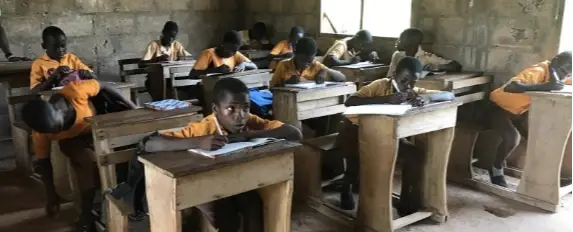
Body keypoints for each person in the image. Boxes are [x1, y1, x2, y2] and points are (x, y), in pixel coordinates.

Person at [108, 77, 302, 232]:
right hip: (202, 182)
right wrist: (198, 142)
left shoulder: (250, 121)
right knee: (225, 212)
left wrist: (251, 134)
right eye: (231, 109)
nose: (240, 115)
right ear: (216, 110)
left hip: (235, 178)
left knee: (253, 204)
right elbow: (149, 143)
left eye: (245, 108)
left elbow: (294, 133)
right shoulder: (204, 128)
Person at [336, 57, 455, 214]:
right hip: (356, 132)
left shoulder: (413, 91)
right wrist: (385, 99)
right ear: (397, 75)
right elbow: (350, 102)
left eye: (413, 81)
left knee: (414, 155)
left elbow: (449, 96)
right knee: (357, 158)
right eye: (406, 80)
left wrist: (427, 98)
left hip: (387, 138)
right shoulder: (380, 85)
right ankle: (347, 187)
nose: (410, 85)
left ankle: (406, 201)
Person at [21, 79, 136, 232]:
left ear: (59, 110)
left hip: (97, 128)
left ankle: (125, 200)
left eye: (60, 127)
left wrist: (132, 107)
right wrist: (52, 196)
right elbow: (44, 164)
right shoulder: (41, 134)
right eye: (53, 132)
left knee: (127, 154)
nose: (57, 132)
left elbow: (105, 86)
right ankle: (86, 214)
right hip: (73, 141)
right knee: (87, 164)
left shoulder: (75, 92)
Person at [488, 51, 573, 187]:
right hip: (496, 107)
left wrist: (561, 79)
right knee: (512, 137)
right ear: (555, 61)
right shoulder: (538, 71)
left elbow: (567, 80)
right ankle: (495, 169)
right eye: (563, 71)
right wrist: (546, 87)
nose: (564, 76)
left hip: (518, 111)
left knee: (541, 137)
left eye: (568, 74)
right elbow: (512, 86)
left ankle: (546, 178)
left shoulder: (561, 74)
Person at [29, 26, 94, 93]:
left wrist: (86, 73)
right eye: (55, 47)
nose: (60, 50)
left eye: (63, 46)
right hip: (52, 99)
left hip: (75, 95)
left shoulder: (71, 58)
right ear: (44, 46)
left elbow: (93, 76)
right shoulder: (38, 64)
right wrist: (54, 76)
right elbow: (34, 90)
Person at [271, 37, 345, 87]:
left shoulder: (315, 65)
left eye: (309, 61)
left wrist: (325, 71)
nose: (306, 64)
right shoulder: (283, 65)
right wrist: (286, 83)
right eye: (302, 60)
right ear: (295, 53)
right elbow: (272, 88)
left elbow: (342, 78)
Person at [387, 28, 461, 76]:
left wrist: (438, 66)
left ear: (411, 42)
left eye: (401, 39)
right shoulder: (397, 55)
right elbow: (390, 76)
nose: (397, 42)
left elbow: (456, 66)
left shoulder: (426, 57)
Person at [189, 30, 258, 78]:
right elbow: (192, 74)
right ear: (223, 44)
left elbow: (254, 66)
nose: (231, 54)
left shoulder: (235, 54)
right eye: (230, 49)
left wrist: (243, 64)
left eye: (234, 51)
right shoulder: (208, 53)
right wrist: (216, 70)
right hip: (209, 88)